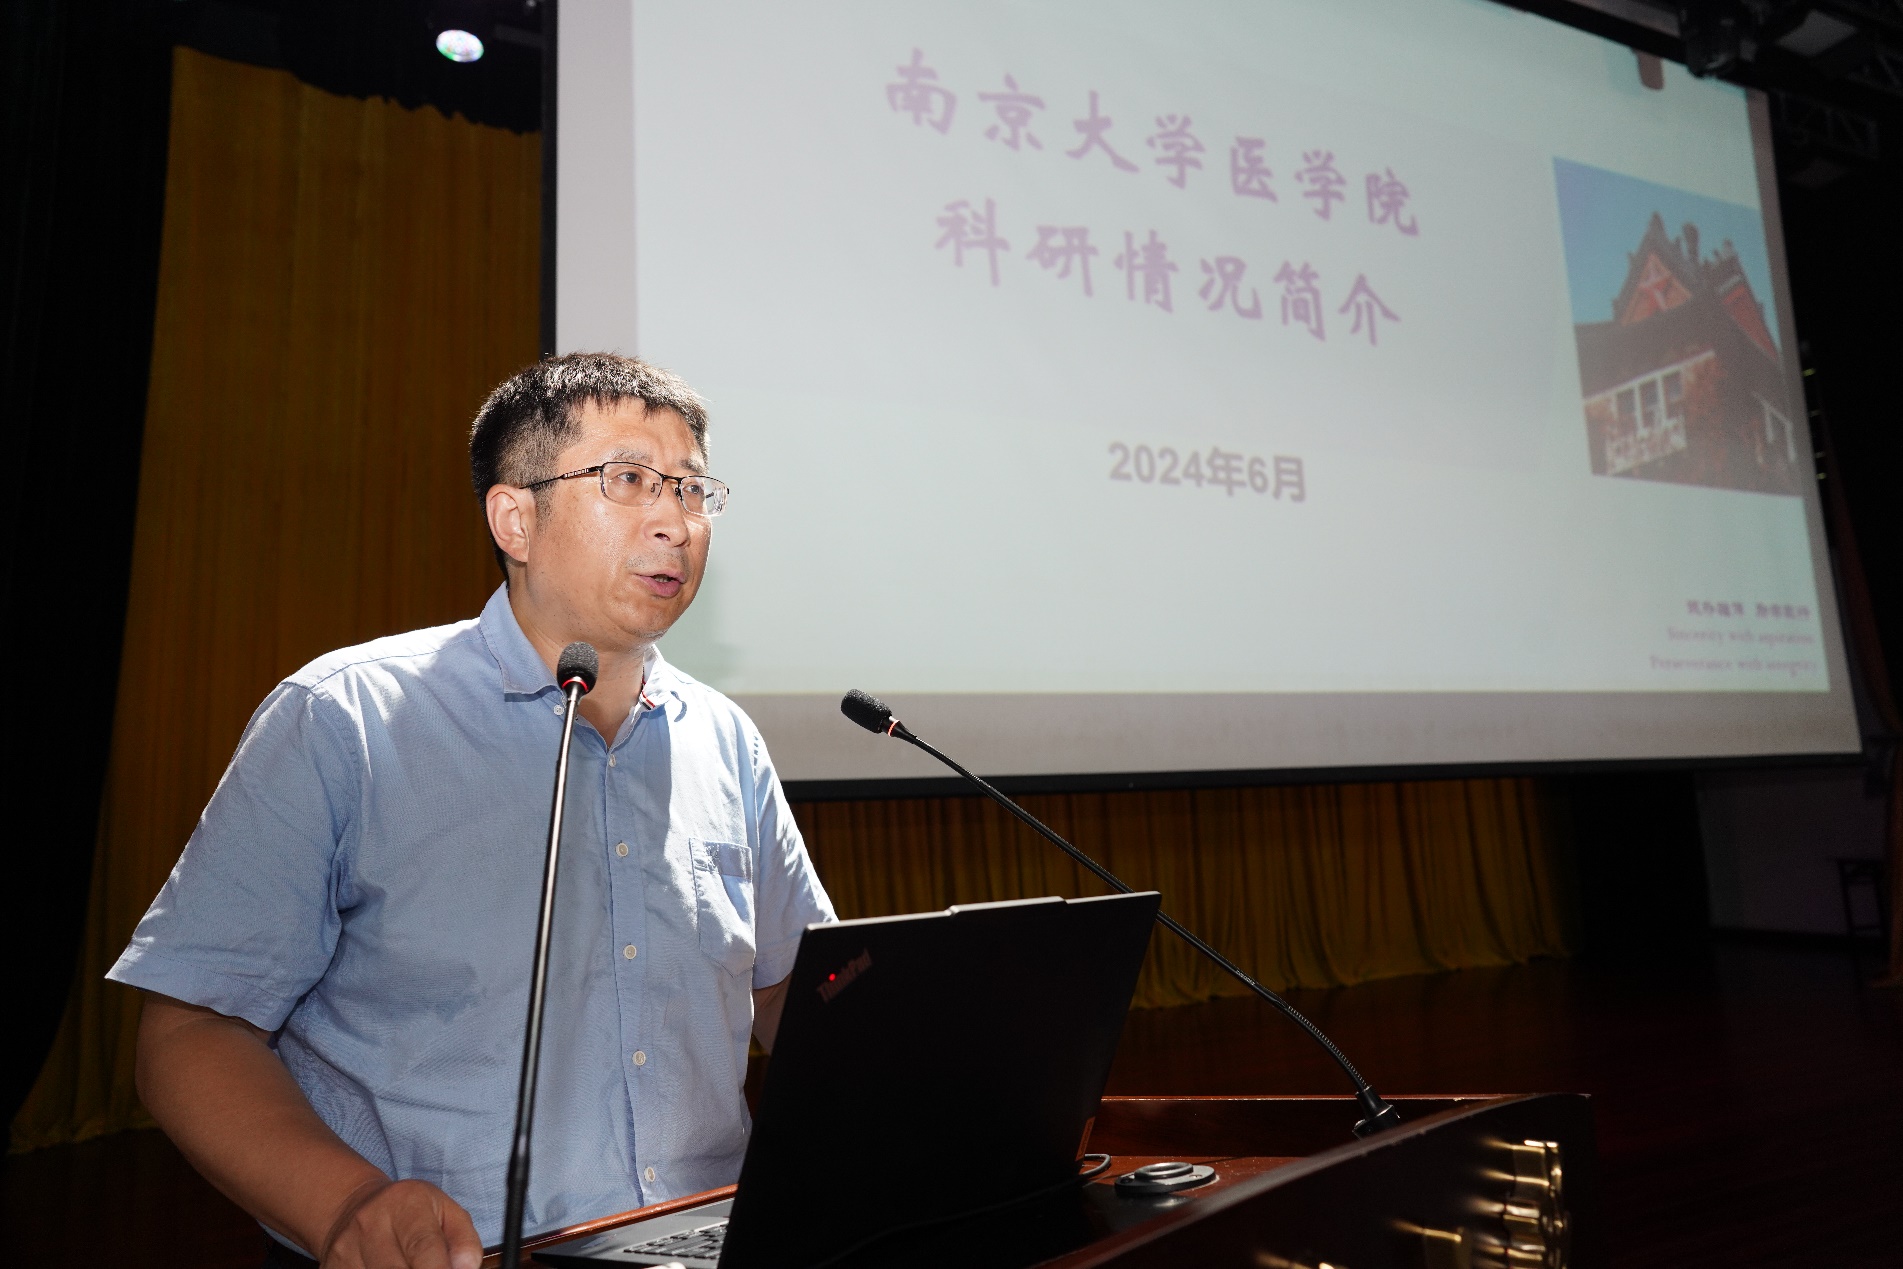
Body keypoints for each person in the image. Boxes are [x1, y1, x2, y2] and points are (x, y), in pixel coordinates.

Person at [110, 353, 835, 1268]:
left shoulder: (725, 739)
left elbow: (784, 989)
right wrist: (346, 1205)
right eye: (629, 480)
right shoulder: (346, 718)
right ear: (515, 519)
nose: (675, 522)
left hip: (714, 1238)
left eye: (692, 489)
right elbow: (191, 1030)